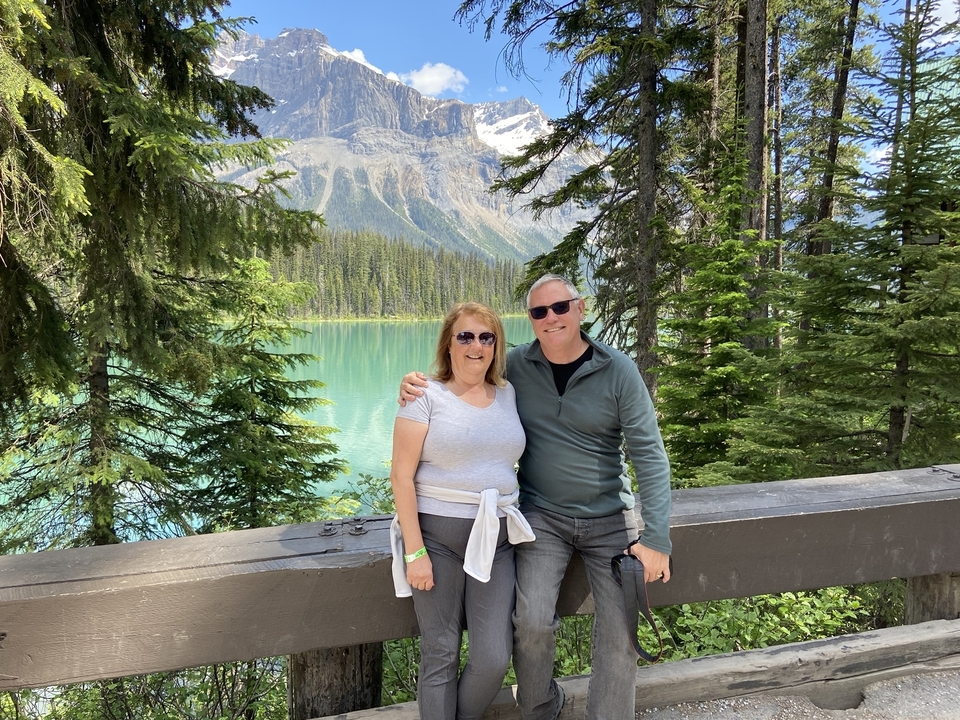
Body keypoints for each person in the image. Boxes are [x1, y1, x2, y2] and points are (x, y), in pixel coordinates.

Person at [401, 274, 672, 720]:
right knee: (529, 623)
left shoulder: (618, 369)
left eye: (560, 307)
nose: (551, 318)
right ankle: (541, 708)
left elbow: (650, 456)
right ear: (529, 320)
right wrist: (417, 384)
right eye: (538, 312)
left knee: (621, 631)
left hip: (610, 518)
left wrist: (658, 537)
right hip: (541, 518)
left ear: (580, 309)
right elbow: (466, 375)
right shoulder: (515, 367)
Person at [389, 301, 534, 720]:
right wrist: (415, 553)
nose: (476, 346)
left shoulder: (508, 393)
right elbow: (401, 477)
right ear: (448, 344)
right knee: (440, 652)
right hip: (437, 541)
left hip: (497, 541)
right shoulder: (423, 396)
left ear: (496, 345)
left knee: (492, 658)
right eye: (465, 336)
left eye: (486, 337)